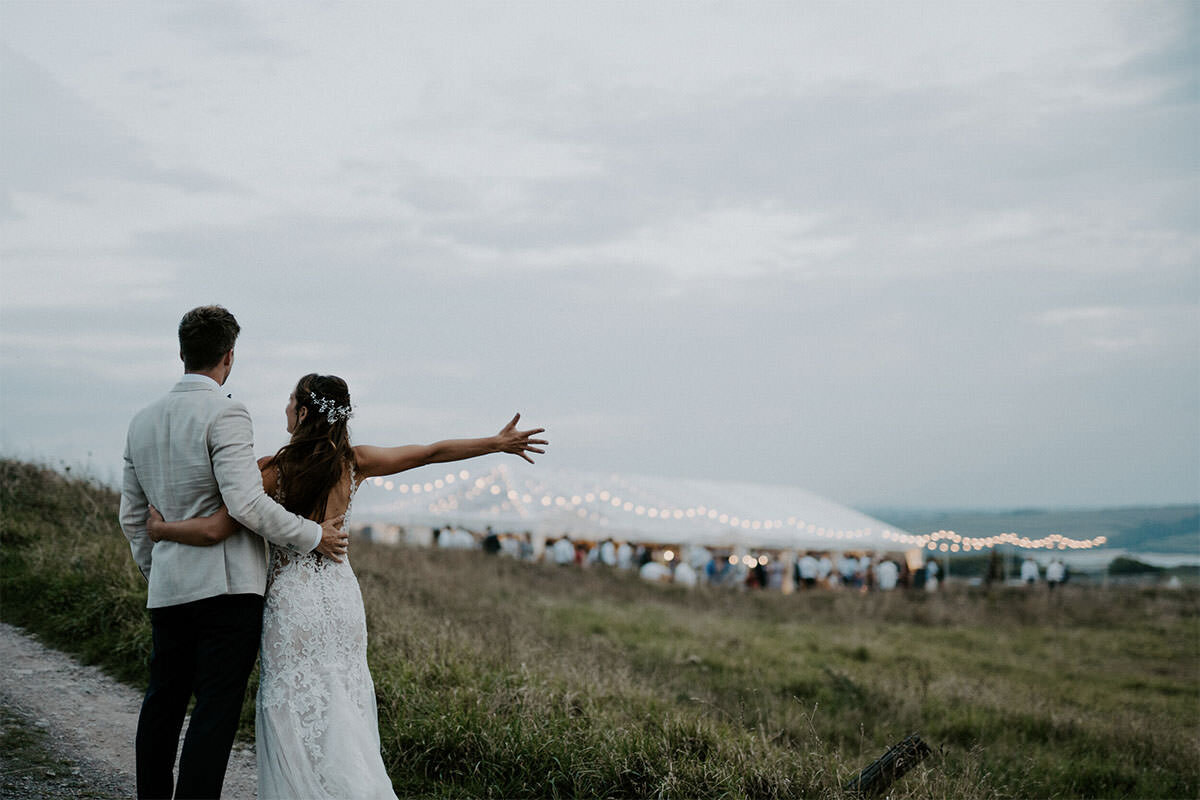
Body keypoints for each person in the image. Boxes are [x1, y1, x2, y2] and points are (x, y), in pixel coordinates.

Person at [146, 372, 547, 798]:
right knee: (344, 704)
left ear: (303, 412)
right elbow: (429, 453)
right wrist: (495, 443)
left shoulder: (270, 472)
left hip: (292, 602)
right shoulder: (353, 463)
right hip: (341, 599)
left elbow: (214, 530)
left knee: (294, 709)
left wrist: (162, 529)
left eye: (290, 400)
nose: (284, 407)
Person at [118, 306, 349, 800]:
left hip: (169, 588)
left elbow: (132, 517)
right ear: (228, 357)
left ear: (181, 352)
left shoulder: (141, 422)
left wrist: (155, 570)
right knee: (214, 712)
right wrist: (313, 536)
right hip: (228, 593)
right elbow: (246, 504)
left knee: (162, 703)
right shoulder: (227, 412)